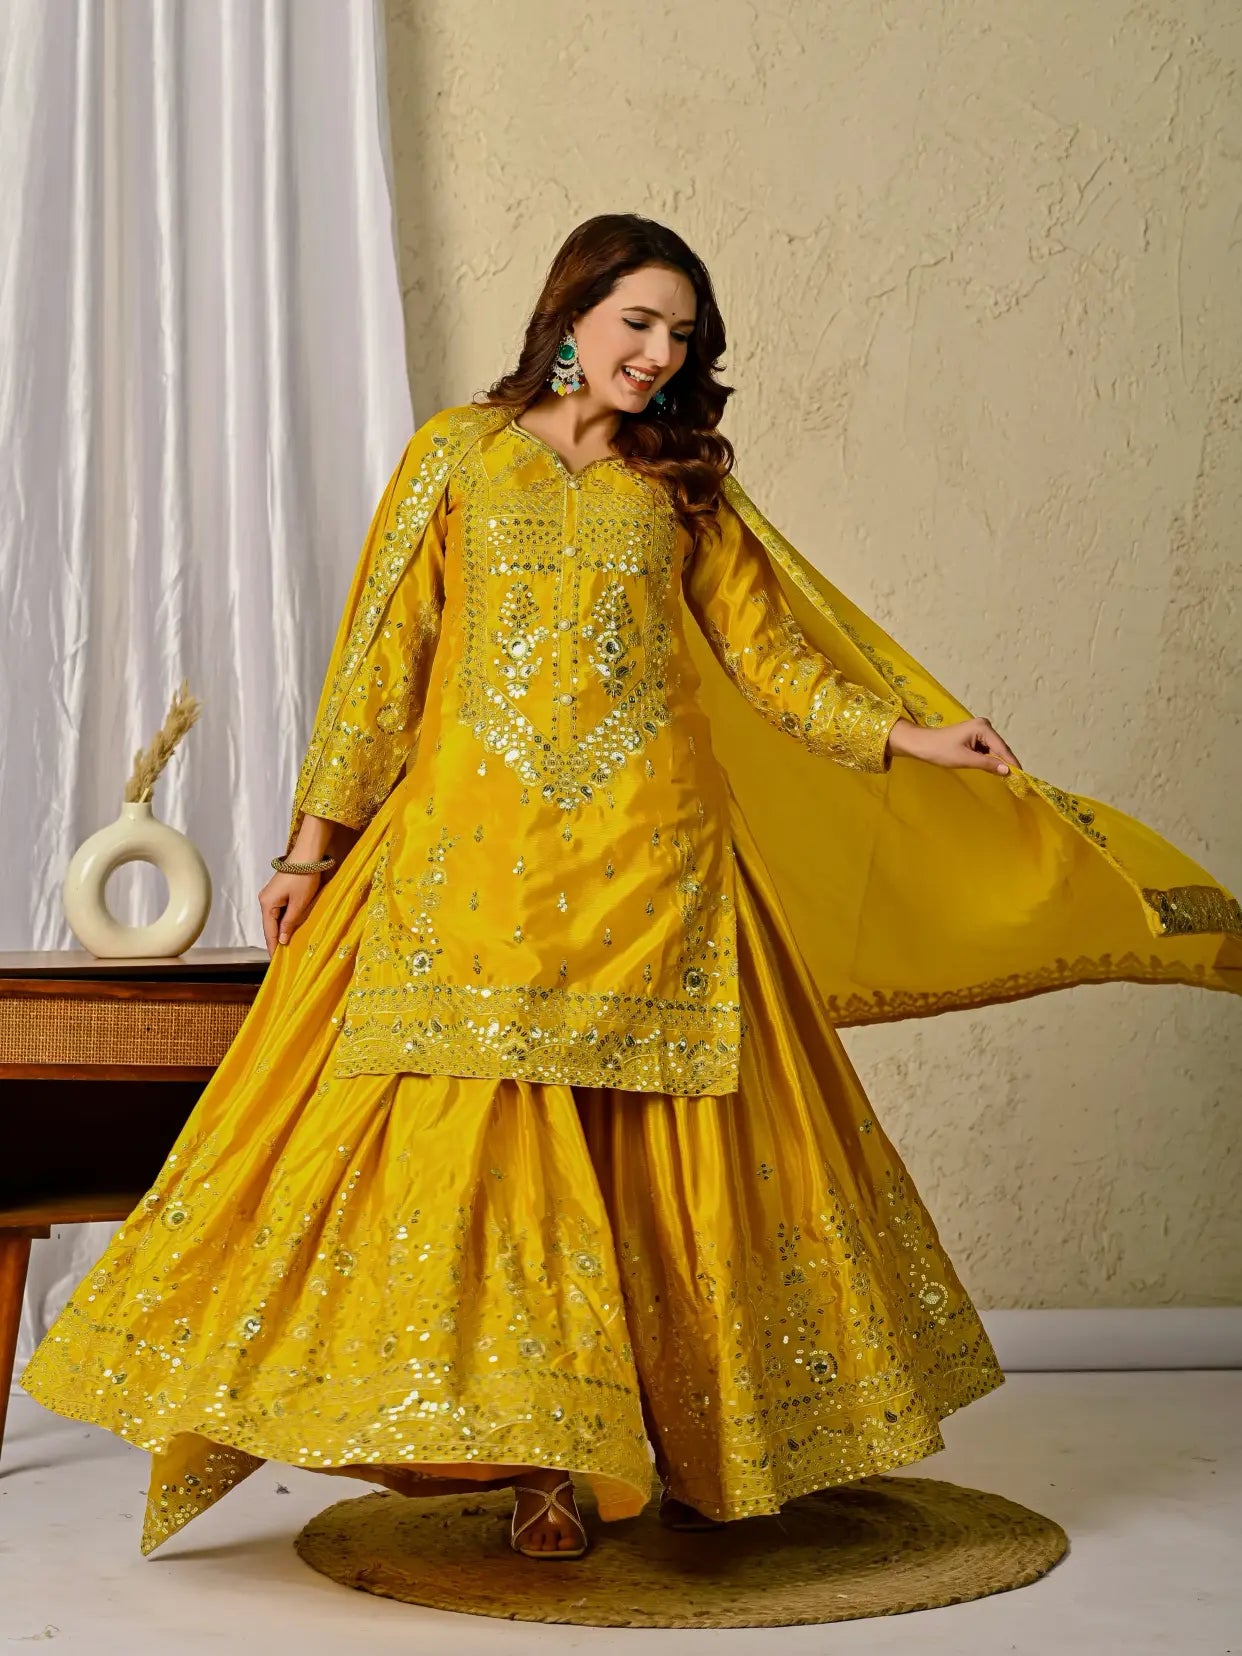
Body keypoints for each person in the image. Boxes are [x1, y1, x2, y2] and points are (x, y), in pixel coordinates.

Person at [22, 214, 1239, 1563]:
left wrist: (907, 736)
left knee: (652, 1172)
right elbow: (382, 666)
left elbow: (771, 661)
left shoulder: (681, 486)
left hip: (655, 866)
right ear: (570, 314)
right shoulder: (458, 458)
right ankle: (545, 1469)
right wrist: (310, 849)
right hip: (470, 868)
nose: (657, 357)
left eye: (681, 337)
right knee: (485, 1168)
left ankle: (662, 1457)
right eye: (637, 323)